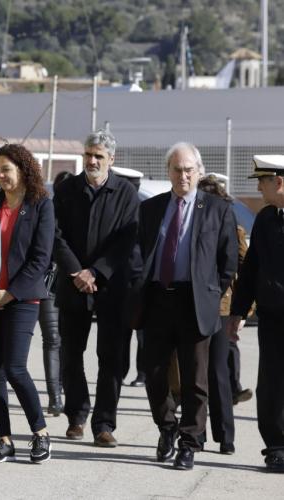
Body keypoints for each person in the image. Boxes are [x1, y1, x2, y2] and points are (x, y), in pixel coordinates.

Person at [135, 142, 237, 470]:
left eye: (189, 170)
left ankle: (189, 443)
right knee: (154, 373)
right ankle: (167, 427)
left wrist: (210, 294)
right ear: (168, 172)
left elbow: (228, 261)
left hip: (195, 302)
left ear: (199, 172)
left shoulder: (217, 209)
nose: (183, 176)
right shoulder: (151, 209)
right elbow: (139, 253)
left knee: (195, 379)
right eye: (177, 170)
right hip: (157, 300)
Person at [53, 130, 139, 447]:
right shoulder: (66, 190)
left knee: (111, 358)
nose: (92, 161)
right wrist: (77, 271)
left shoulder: (126, 193)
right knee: (70, 355)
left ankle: (104, 423)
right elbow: (55, 235)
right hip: (73, 283)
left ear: (111, 159)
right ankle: (76, 415)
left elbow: (127, 239)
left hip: (111, 287)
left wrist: (97, 271)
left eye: (99, 156)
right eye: (88, 154)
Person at [0, 144, 53, 465]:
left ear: (23, 169)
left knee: (15, 367)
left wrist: (9, 293)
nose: (0, 175)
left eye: (6, 169)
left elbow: (41, 258)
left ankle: (40, 432)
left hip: (22, 298)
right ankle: (4, 439)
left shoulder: (41, 204)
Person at [228, 155, 284, 472]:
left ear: (279, 182)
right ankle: (276, 447)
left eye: (262, 182)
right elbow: (251, 270)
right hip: (273, 318)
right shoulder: (265, 219)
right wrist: (238, 312)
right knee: (272, 384)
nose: (259, 189)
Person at [195, 174, 245, 455]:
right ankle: (201, 434)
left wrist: (240, 305)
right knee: (201, 371)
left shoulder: (229, 223)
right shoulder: (192, 221)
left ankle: (224, 436)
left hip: (219, 305)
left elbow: (240, 263)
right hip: (202, 304)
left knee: (215, 371)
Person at [38, 170, 73, 418]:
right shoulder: (46, 210)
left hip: (71, 285)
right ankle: (55, 397)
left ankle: (63, 393)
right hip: (49, 284)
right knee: (52, 339)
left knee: (66, 342)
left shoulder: (78, 214)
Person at [110, 166, 147, 388]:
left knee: (141, 329)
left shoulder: (143, 211)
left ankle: (142, 373)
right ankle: (120, 371)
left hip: (138, 279)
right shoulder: (115, 209)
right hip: (118, 279)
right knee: (120, 331)